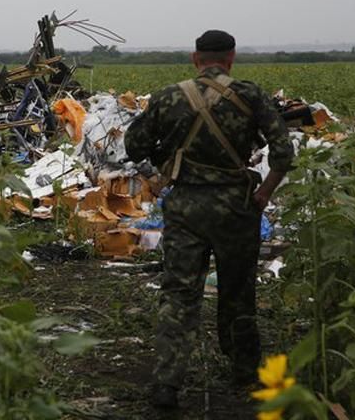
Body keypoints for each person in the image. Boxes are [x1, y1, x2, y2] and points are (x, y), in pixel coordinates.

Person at [124, 30, 294, 408]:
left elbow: (134, 146)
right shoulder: (250, 95)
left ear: (194, 58)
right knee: (238, 292)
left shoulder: (168, 97)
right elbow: (283, 153)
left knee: (179, 293)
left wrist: (168, 157)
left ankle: (167, 382)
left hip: (185, 207)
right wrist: (263, 193)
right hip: (236, 208)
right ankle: (244, 374)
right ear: (231, 58)